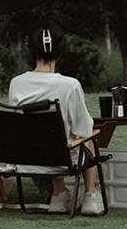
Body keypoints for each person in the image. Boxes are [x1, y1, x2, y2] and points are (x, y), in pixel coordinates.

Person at [7, 27, 103, 216]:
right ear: (60, 52)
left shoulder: (16, 83)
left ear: (31, 52)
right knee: (87, 137)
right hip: (62, 159)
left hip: (26, 160)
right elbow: (83, 128)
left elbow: (16, 124)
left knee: (46, 136)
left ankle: (59, 195)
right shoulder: (70, 85)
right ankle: (91, 195)